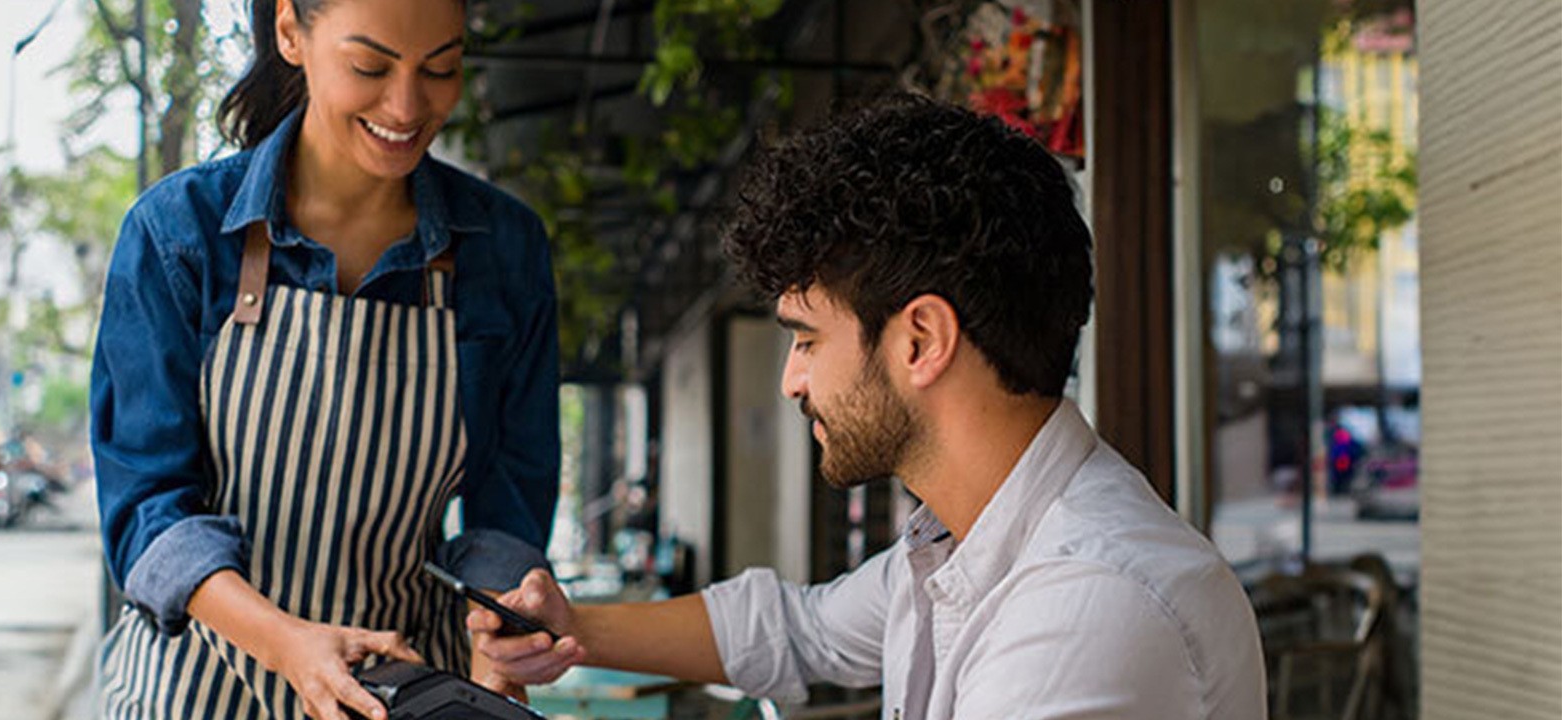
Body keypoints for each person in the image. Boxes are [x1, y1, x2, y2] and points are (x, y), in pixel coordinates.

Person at [470, 95, 1268, 719]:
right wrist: (569, 627)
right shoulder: (970, 540)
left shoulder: (1089, 605)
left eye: (808, 340)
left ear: (920, 339)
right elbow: (798, 629)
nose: (791, 381)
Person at [89, 0, 561, 717]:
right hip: (194, 690)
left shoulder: (505, 250)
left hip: (402, 692)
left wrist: (505, 634)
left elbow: (507, 511)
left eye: (441, 68)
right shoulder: (179, 234)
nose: (407, 106)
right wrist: (286, 643)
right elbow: (148, 510)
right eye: (369, 66)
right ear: (290, 32)